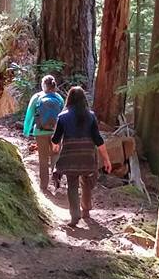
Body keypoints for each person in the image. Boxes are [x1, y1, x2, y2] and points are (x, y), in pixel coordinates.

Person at [52, 86, 112, 227]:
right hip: (87, 156)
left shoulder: (62, 117)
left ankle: (75, 216)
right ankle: (86, 210)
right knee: (86, 181)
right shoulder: (91, 116)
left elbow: (55, 139)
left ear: (69, 100)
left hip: (70, 156)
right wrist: (106, 159)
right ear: (84, 99)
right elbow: (98, 139)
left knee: (72, 185)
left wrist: (55, 146)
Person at [22, 75, 65, 193]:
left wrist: (26, 131)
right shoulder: (59, 98)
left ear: (43, 85)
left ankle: (44, 186)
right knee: (56, 156)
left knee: (43, 158)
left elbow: (30, 114)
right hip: (56, 132)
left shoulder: (37, 97)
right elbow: (63, 116)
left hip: (40, 132)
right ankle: (56, 177)